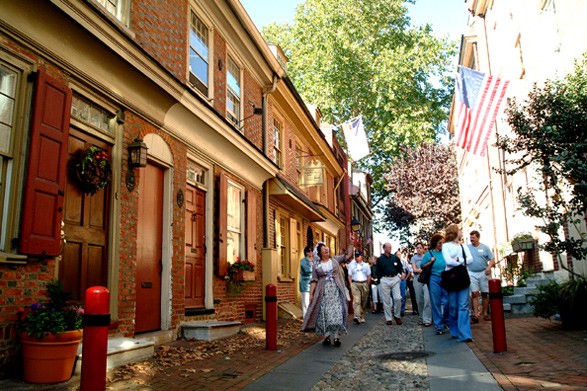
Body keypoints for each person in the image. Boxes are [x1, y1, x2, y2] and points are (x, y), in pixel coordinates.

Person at [301, 243, 349, 347]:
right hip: (323, 292)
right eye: (323, 249)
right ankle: (326, 336)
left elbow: (348, 256)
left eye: (326, 248)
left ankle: (336, 337)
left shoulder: (335, 260)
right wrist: (311, 294)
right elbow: (314, 280)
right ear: (320, 253)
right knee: (325, 313)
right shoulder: (316, 265)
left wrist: (350, 243)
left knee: (336, 312)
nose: (326, 250)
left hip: (335, 291)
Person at [442, 224, 474, 342]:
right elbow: (448, 261)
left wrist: (458, 260)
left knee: (463, 306)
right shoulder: (445, 246)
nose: (461, 231)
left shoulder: (463, 246)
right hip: (451, 278)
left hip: (463, 277)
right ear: (455, 232)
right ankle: (454, 330)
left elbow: (470, 260)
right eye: (460, 230)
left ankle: (465, 334)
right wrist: (462, 262)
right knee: (453, 306)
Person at [421, 234, 449, 335]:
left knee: (447, 301)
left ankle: (445, 319)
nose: (442, 244)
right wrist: (430, 262)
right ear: (435, 243)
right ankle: (439, 326)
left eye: (443, 243)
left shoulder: (445, 253)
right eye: (440, 243)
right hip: (434, 278)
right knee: (435, 302)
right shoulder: (429, 254)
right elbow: (422, 266)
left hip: (445, 277)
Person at [468, 230, 496, 322]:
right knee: (474, 293)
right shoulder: (467, 248)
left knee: (484, 293)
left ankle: (485, 313)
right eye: (470, 237)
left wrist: (488, 267)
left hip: (484, 272)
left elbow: (492, 259)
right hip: (472, 273)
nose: (471, 239)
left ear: (478, 238)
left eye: (473, 237)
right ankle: (476, 314)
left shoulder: (485, 247)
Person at [376, 243, 405, 325]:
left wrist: (402, 273)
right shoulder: (380, 259)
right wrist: (380, 278)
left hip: (395, 278)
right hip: (385, 279)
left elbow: (400, 267)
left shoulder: (395, 258)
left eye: (390, 247)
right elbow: (377, 270)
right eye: (388, 247)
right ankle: (388, 318)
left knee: (398, 298)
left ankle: (397, 315)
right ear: (384, 248)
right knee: (386, 300)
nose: (389, 248)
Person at [347, 250, 371, 324]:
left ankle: (362, 315)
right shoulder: (352, 265)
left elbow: (369, 275)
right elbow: (349, 276)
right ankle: (357, 316)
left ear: (362, 257)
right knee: (357, 301)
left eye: (358, 256)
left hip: (364, 283)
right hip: (355, 283)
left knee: (363, 301)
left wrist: (368, 284)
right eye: (356, 256)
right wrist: (351, 284)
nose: (357, 258)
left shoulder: (366, 265)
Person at [411, 243, 432, 327]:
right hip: (417, 280)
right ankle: (421, 317)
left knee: (427, 299)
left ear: (423, 249)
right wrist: (423, 269)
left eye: (420, 248)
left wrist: (420, 269)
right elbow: (414, 270)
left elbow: (428, 268)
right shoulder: (414, 258)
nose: (419, 249)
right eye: (417, 248)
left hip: (426, 279)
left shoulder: (426, 257)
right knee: (419, 300)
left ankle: (427, 319)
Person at [299, 246, 314, 318]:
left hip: (313, 284)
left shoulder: (314, 260)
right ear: (306, 252)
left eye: (312, 250)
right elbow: (308, 270)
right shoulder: (303, 261)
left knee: (312, 302)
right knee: (305, 303)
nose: (311, 252)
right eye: (309, 251)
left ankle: (310, 319)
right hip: (305, 284)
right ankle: (306, 319)